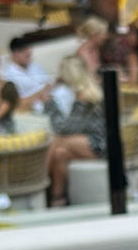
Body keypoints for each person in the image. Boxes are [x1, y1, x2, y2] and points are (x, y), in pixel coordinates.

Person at [45, 54, 106, 205]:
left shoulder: (85, 97)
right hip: (89, 142)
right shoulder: (89, 91)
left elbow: (64, 128)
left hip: (100, 145)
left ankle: (41, 180)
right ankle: (57, 197)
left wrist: (50, 103)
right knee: (59, 154)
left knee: (57, 141)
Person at [1, 35, 55, 111]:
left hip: (49, 99)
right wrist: (41, 93)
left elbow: (48, 83)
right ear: (15, 55)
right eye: (23, 51)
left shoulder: (36, 67)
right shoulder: (9, 76)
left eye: (28, 49)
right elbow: (19, 103)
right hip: (31, 108)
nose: (28, 53)